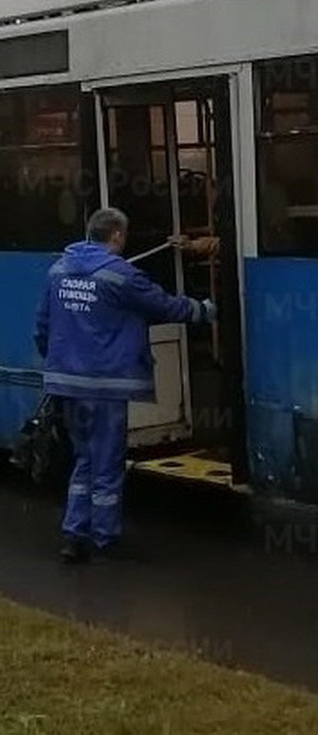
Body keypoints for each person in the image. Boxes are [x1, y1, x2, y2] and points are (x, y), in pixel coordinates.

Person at [34, 208, 217, 564]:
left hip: (68, 384)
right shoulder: (121, 276)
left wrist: (58, 366)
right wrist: (205, 311)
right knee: (107, 462)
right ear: (116, 235)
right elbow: (163, 305)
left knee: (84, 458)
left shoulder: (57, 271)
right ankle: (104, 538)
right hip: (105, 386)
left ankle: (74, 534)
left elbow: (42, 326)